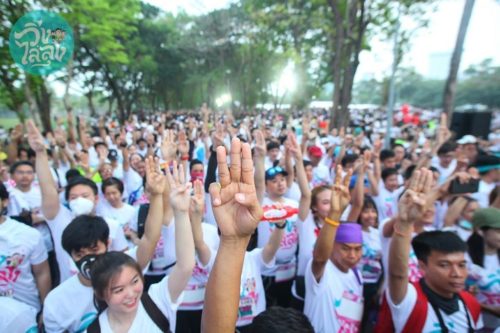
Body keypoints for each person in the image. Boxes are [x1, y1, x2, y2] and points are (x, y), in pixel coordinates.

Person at [42, 157, 166, 332]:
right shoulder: (56, 302)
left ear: (107, 244)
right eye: (80, 254)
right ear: (70, 256)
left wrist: (157, 195)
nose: (89, 259)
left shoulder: (126, 267)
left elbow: (150, 238)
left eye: (94, 249)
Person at [85, 159, 195, 332]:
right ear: (101, 294)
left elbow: (186, 266)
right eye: (118, 289)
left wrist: (180, 212)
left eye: (135, 281)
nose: (131, 294)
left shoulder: (157, 301)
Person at [376, 169, 483, 332]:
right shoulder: (392, 230)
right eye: (424, 204)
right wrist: (438, 191)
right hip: (401, 305)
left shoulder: (435, 237)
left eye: (433, 203)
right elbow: (402, 223)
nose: (428, 208)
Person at [27, 119, 128, 282]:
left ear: (96, 199)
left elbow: (123, 261)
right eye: (73, 197)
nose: (79, 200)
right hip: (71, 296)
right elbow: (47, 188)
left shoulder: (111, 225)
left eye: (85, 196)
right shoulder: (59, 219)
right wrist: (41, 153)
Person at [201, 137, 283, 332]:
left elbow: (270, 249)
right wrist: (233, 241)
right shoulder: (216, 259)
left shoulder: (254, 258)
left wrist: (280, 227)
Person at [304, 166, 365, 333]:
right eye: (345, 249)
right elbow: (319, 258)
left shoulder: (357, 276)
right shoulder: (321, 271)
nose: (352, 256)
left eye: (358, 249)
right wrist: (335, 213)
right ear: (331, 247)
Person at [0, 181, 51, 324]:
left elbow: (42, 273)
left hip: (27, 312)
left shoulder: (27, 234)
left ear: (5, 202)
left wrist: (45, 309)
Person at [466, 207, 500, 332]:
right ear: (480, 231)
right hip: (477, 326)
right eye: (498, 231)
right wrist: (486, 308)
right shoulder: (465, 260)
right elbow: (463, 296)